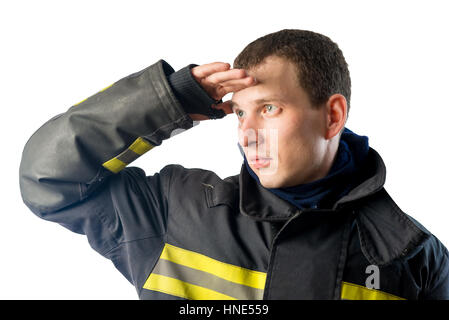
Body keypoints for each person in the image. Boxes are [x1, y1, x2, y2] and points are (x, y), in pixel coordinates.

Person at [19, 29, 449, 300]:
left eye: (270, 109)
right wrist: (169, 101)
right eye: (241, 112)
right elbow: (48, 179)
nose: (246, 133)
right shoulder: (173, 211)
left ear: (333, 116)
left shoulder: (414, 256)